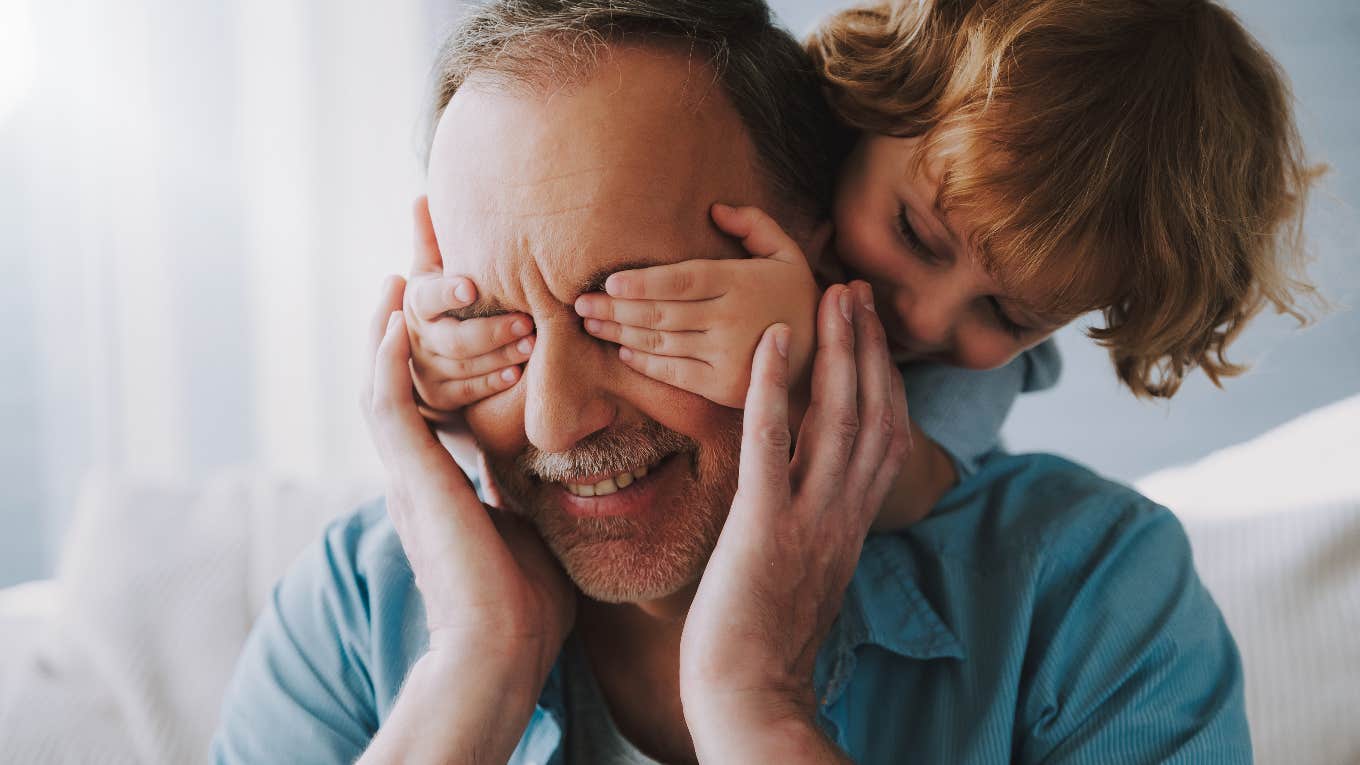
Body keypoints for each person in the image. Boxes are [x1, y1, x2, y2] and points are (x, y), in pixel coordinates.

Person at [212, 2, 1250, 762]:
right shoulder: (357, 613)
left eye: (631, 307)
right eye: (495, 323)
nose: (553, 417)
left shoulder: (1088, 600)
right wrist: (474, 669)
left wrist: (757, 706)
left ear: (803, 257)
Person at [408, 0, 1318, 531]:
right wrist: (465, 349)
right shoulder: (755, 139)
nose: (924, 320)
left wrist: (804, 376)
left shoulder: (973, 402)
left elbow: (901, 487)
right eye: (919, 237)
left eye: (1009, 316)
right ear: (871, 103)